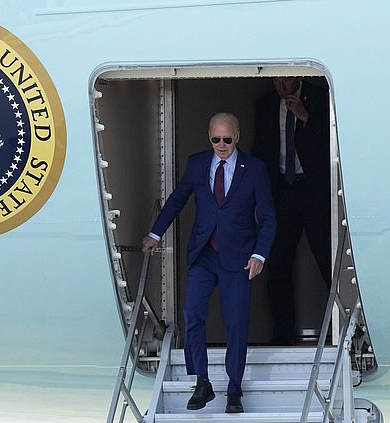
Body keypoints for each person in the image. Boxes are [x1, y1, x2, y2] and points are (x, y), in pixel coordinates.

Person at [142, 112, 276, 413]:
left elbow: (268, 218)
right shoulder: (198, 163)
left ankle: (234, 389)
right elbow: (177, 200)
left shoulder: (254, 169)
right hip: (204, 254)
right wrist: (155, 232)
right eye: (216, 139)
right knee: (192, 315)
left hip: (239, 257)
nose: (221, 145)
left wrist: (259, 254)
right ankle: (201, 382)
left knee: (236, 323)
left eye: (227, 139)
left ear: (237, 137)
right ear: (209, 136)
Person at [253, 77, 331, 346]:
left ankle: (341, 327)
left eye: (286, 78)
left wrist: (306, 117)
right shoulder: (265, 105)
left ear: (297, 75)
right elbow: (260, 152)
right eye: (275, 79)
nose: (281, 85)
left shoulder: (321, 97)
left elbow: (332, 144)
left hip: (314, 192)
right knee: (278, 264)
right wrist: (258, 201)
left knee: (327, 259)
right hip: (281, 193)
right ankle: (283, 335)